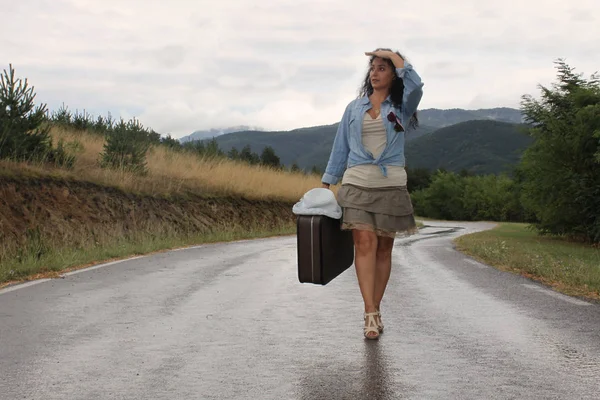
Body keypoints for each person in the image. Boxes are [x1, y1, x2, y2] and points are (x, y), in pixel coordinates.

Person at [321, 48, 424, 340]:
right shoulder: (353, 109)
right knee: (364, 243)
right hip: (356, 182)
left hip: (391, 184)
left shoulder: (402, 106)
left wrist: (393, 54)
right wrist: (327, 182)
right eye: (373, 68)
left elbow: (416, 84)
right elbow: (340, 147)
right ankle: (369, 312)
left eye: (382, 68)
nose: (375, 73)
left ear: (393, 74)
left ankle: (376, 307)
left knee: (383, 249)